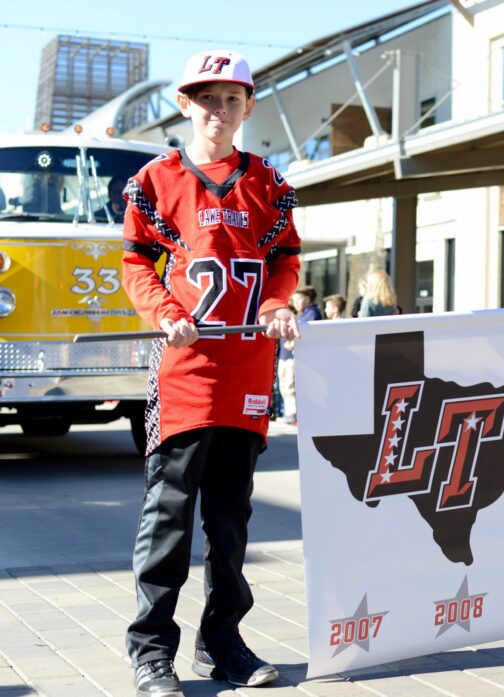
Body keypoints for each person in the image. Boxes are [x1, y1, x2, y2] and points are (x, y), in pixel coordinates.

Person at [120, 49, 301, 697]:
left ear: (249, 106)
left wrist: (279, 304)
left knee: (231, 522)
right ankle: (150, 650)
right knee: (168, 516)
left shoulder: (268, 184)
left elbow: (284, 260)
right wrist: (165, 310)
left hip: (248, 370)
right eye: (206, 98)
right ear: (185, 105)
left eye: (231, 99)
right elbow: (136, 263)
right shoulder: (158, 179)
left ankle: (221, 640)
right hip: (185, 372)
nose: (218, 111)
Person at [277, 287, 322, 426]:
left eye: (298, 299)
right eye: (294, 299)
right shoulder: (300, 315)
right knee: (284, 385)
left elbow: (308, 333)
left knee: (290, 385)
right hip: (284, 355)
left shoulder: (312, 313)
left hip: (294, 355)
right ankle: (289, 412)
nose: (295, 302)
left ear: (307, 299)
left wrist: (294, 342)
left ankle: (293, 413)